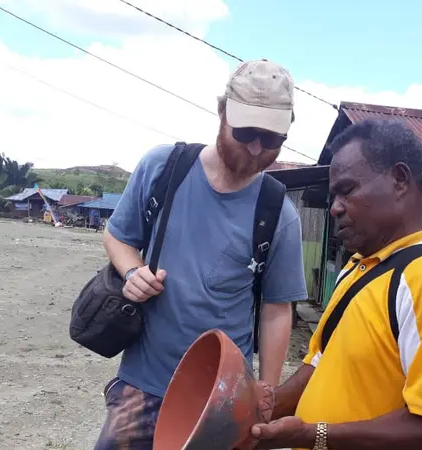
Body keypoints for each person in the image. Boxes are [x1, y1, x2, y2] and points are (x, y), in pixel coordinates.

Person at [94, 59, 308, 449]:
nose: (257, 147)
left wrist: (266, 388)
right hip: (143, 382)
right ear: (222, 111)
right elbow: (118, 236)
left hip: (222, 398)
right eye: (245, 132)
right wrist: (131, 272)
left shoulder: (279, 214)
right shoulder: (163, 168)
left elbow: (278, 308)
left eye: (272, 138)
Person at [250, 118, 422, 450]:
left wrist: (314, 434)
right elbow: (319, 362)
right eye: (333, 195)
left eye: (347, 190)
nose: (334, 207)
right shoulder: (356, 269)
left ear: (400, 179)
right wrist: (259, 415)